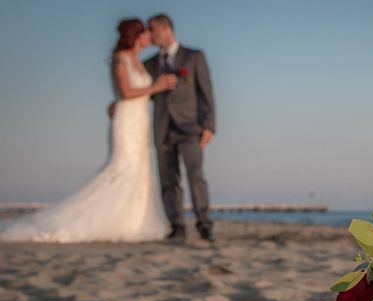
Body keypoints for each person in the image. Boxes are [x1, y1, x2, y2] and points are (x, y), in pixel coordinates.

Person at [0, 18, 175, 243]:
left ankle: (132, 221)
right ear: (136, 36)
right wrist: (155, 87)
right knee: (121, 168)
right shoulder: (120, 59)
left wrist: (149, 91)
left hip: (139, 120)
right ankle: (101, 221)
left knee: (139, 170)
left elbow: (137, 92)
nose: (149, 35)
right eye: (146, 32)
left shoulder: (141, 61)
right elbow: (125, 91)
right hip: (126, 121)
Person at [144, 13, 216, 242]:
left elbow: (207, 92)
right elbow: (138, 93)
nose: (149, 34)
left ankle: (204, 225)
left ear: (166, 29)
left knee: (196, 175)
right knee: (168, 179)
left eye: (152, 29)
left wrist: (209, 125)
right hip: (163, 128)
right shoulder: (149, 64)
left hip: (190, 127)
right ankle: (177, 226)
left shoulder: (194, 57)